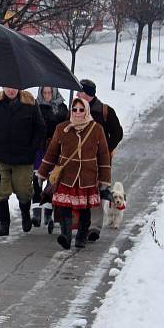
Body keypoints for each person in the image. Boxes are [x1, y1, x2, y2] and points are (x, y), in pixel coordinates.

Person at [37, 97, 111, 249]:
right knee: (64, 207)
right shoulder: (62, 128)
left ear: (87, 111)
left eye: (81, 110)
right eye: (75, 109)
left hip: (87, 177)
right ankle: (66, 235)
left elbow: (103, 155)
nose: (77, 113)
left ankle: (81, 237)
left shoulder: (96, 129)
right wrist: (42, 173)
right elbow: (51, 153)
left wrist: (104, 180)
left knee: (84, 209)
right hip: (66, 176)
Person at [0, 87, 45, 236]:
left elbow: (40, 127)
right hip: (0, 156)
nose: (10, 90)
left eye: (13, 87)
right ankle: (4, 224)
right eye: (7, 87)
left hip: (23, 158)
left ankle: (25, 216)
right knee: (0, 191)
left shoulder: (30, 103)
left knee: (24, 190)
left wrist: (32, 148)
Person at [77, 79, 123, 241]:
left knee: (97, 191)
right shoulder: (77, 110)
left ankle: (94, 227)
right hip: (79, 160)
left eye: (80, 91)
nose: (77, 94)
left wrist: (104, 149)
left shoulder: (105, 111)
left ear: (88, 94)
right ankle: (81, 224)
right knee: (81, 191)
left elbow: (118, 133)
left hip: (100, 162)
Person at [33, 86, 68, 232]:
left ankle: (48, 212)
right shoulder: (35, 106)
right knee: (37, 178)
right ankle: (36, 212)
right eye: (44, 92)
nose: (47, 95)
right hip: (39, 148)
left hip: (55, 148)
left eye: (49, 92)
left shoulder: (62, 107)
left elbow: (66, 127)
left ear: (54, 93)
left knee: (52, 180)